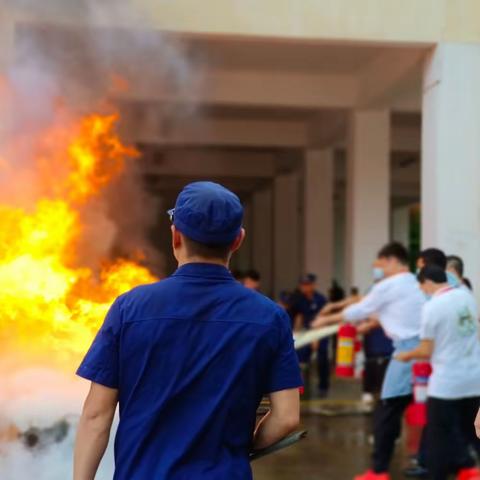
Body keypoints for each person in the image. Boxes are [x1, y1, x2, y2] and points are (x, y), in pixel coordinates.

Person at [73, 181, 302, 480]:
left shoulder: (130, 308)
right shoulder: (270, 317)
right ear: (238, 240)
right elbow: (286, 417)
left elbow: (96, 416)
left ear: (175, 236)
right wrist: (242, 447)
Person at [312, 242, 425, 480]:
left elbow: (359, 309)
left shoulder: (389, 285)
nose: (379, 269)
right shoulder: (416, 283)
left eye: (381, 264)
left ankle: (379, 470)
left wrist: (325, 321)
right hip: (427, 352)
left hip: (405, 354)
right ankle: (457, 463)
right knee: (432, 409)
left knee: (387, 409)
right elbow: (382, 313)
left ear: (392, 261)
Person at [397, 265, 480, 480]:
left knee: (438, 436)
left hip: (446, 384)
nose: (422, 291)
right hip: (473, 379)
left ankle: (438, 474)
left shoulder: (433, 307)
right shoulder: (466, 296)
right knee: (472, 431)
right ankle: (467, 466)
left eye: (421, 286)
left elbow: (426, 350)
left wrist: (406, 356)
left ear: (427, 282)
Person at [292, 273, 329, 397]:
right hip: (306, 332)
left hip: (321, 331)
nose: (304, 287)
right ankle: (301, 386)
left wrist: (316, 338)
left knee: (322, 358)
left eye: (307, 284)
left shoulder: (321, 299)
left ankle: (323, 387)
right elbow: (299, 316)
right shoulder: (299, 299)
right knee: (299, 358)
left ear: (313, 285)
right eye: (302, 285)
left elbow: (324, 318)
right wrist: (296, 334)